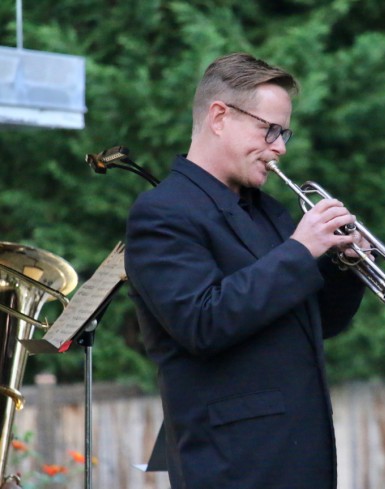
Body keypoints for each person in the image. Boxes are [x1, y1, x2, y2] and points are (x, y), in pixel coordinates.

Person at [125, 52, 368, 489]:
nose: (280, 147)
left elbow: (318, 323)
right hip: (232, 465)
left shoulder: (270, 212)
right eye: (269, 129)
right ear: (219, 116)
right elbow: (202, 322)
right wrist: (300, 250)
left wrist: (343, 266)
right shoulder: (162, 212)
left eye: (284, 133)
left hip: (300, 455)